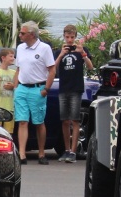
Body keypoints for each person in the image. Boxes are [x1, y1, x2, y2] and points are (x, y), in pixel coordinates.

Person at [13, 21, 56, 164]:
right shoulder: (20, 48)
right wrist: (15, 87)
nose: (20, 35)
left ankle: (42, 153)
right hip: (22, 88)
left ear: (31, 34)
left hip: (37, 88)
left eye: (22, 33)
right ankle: (22, 154)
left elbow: (51, 69)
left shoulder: (44, 48)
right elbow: (18, 69)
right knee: (22, 121)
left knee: (38, 122)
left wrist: (46, 89)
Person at [55, 25, 93, 162]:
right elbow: (53, 68)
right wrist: (60, 55)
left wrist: (82, 53)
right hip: (63, 88)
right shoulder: (59, 51)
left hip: (76, 89)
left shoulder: (81, 50)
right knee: (64, 120)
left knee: (75, 120)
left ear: (75, 37)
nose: (70, 40)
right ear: (64, 36)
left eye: (72, 37)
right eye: (67, 37)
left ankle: (73, 151)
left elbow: (90, 66)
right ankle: (66, 150)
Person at [0, 48, 18, 137]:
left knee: (9, 132)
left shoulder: (14, 73)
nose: (13, 58)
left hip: (10, 107)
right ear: (3, 58)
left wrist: (13, 86)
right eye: (11, 56)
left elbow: (17, 87)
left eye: (13, 56)